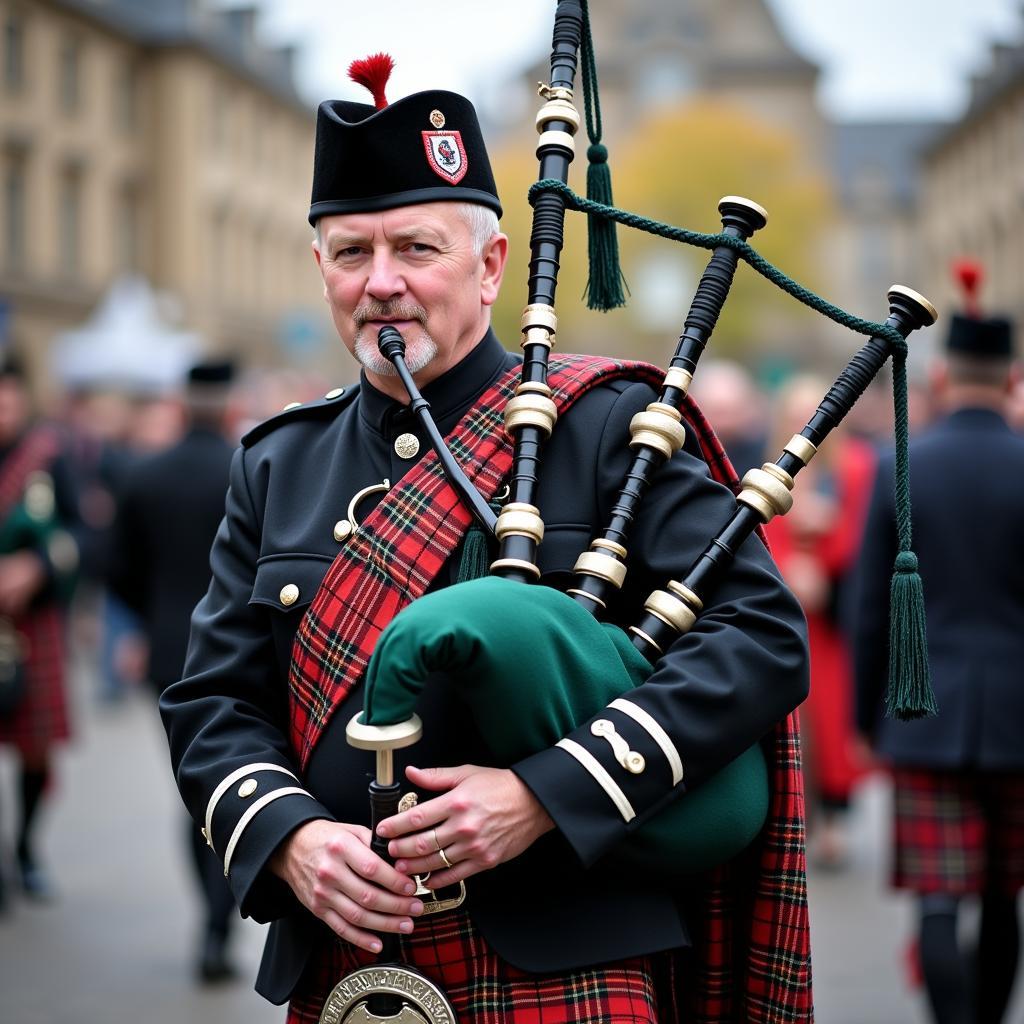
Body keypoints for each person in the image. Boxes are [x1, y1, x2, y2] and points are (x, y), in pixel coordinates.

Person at [159, 64, 809, 1023]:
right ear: (322, 271)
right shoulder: (275, 463)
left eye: (417, 248)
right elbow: (214, 699)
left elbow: (760, 638)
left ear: (493, 263)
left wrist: (546, 792)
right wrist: (289, 835)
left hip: (574, 952)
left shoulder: (609, 430)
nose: (381, 284)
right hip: (356, 964)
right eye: (351, 254)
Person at [852, 299, 1024, 1024]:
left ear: (946, 374)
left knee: (938, 898)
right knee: (1001, 896)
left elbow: (869, 608)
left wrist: (868, 715)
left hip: (923, 711)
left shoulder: (900, 463)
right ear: (1013, 379)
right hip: (1019, 718)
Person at [109, 359, 240, 980]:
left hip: (170, 653)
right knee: (240, 781)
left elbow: (117, 569)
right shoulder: (249, 467)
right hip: (243, 653)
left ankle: (211, 926)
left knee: (197, 794)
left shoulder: (146, 474)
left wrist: (150, 623)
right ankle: (221, 923)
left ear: (181, 405)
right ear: (231, 404)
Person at [764, 375, 875, 868]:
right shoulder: (773, 470)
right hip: (789, 612)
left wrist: (830, 559)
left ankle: (834, 814)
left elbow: (869, 535)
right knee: (792, 718)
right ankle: (796, 814)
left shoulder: (856, 468)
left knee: (833, 719)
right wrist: (788, 566)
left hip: (832, 620)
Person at [0, 353, 79, 906]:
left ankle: (25, 847)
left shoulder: (50, 457)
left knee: (33, 750)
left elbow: (86, 536)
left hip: (34, 622)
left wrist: (39, 567)